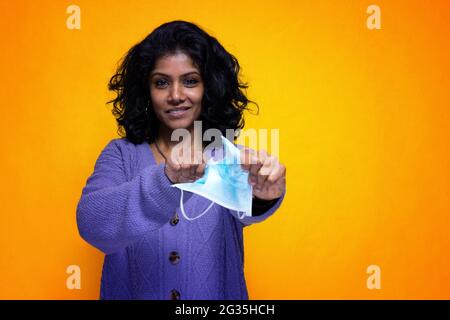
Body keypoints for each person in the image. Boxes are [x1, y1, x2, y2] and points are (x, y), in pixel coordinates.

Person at [76, 20, 286, 300]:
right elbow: (92, 223)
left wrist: (263, 195)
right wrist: (166, 179)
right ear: (146, 92)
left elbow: (246, 209)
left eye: (190, 81)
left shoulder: (228, 157)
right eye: (161, 83)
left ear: (209, 87)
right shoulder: (121, 154)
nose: (176, 96)